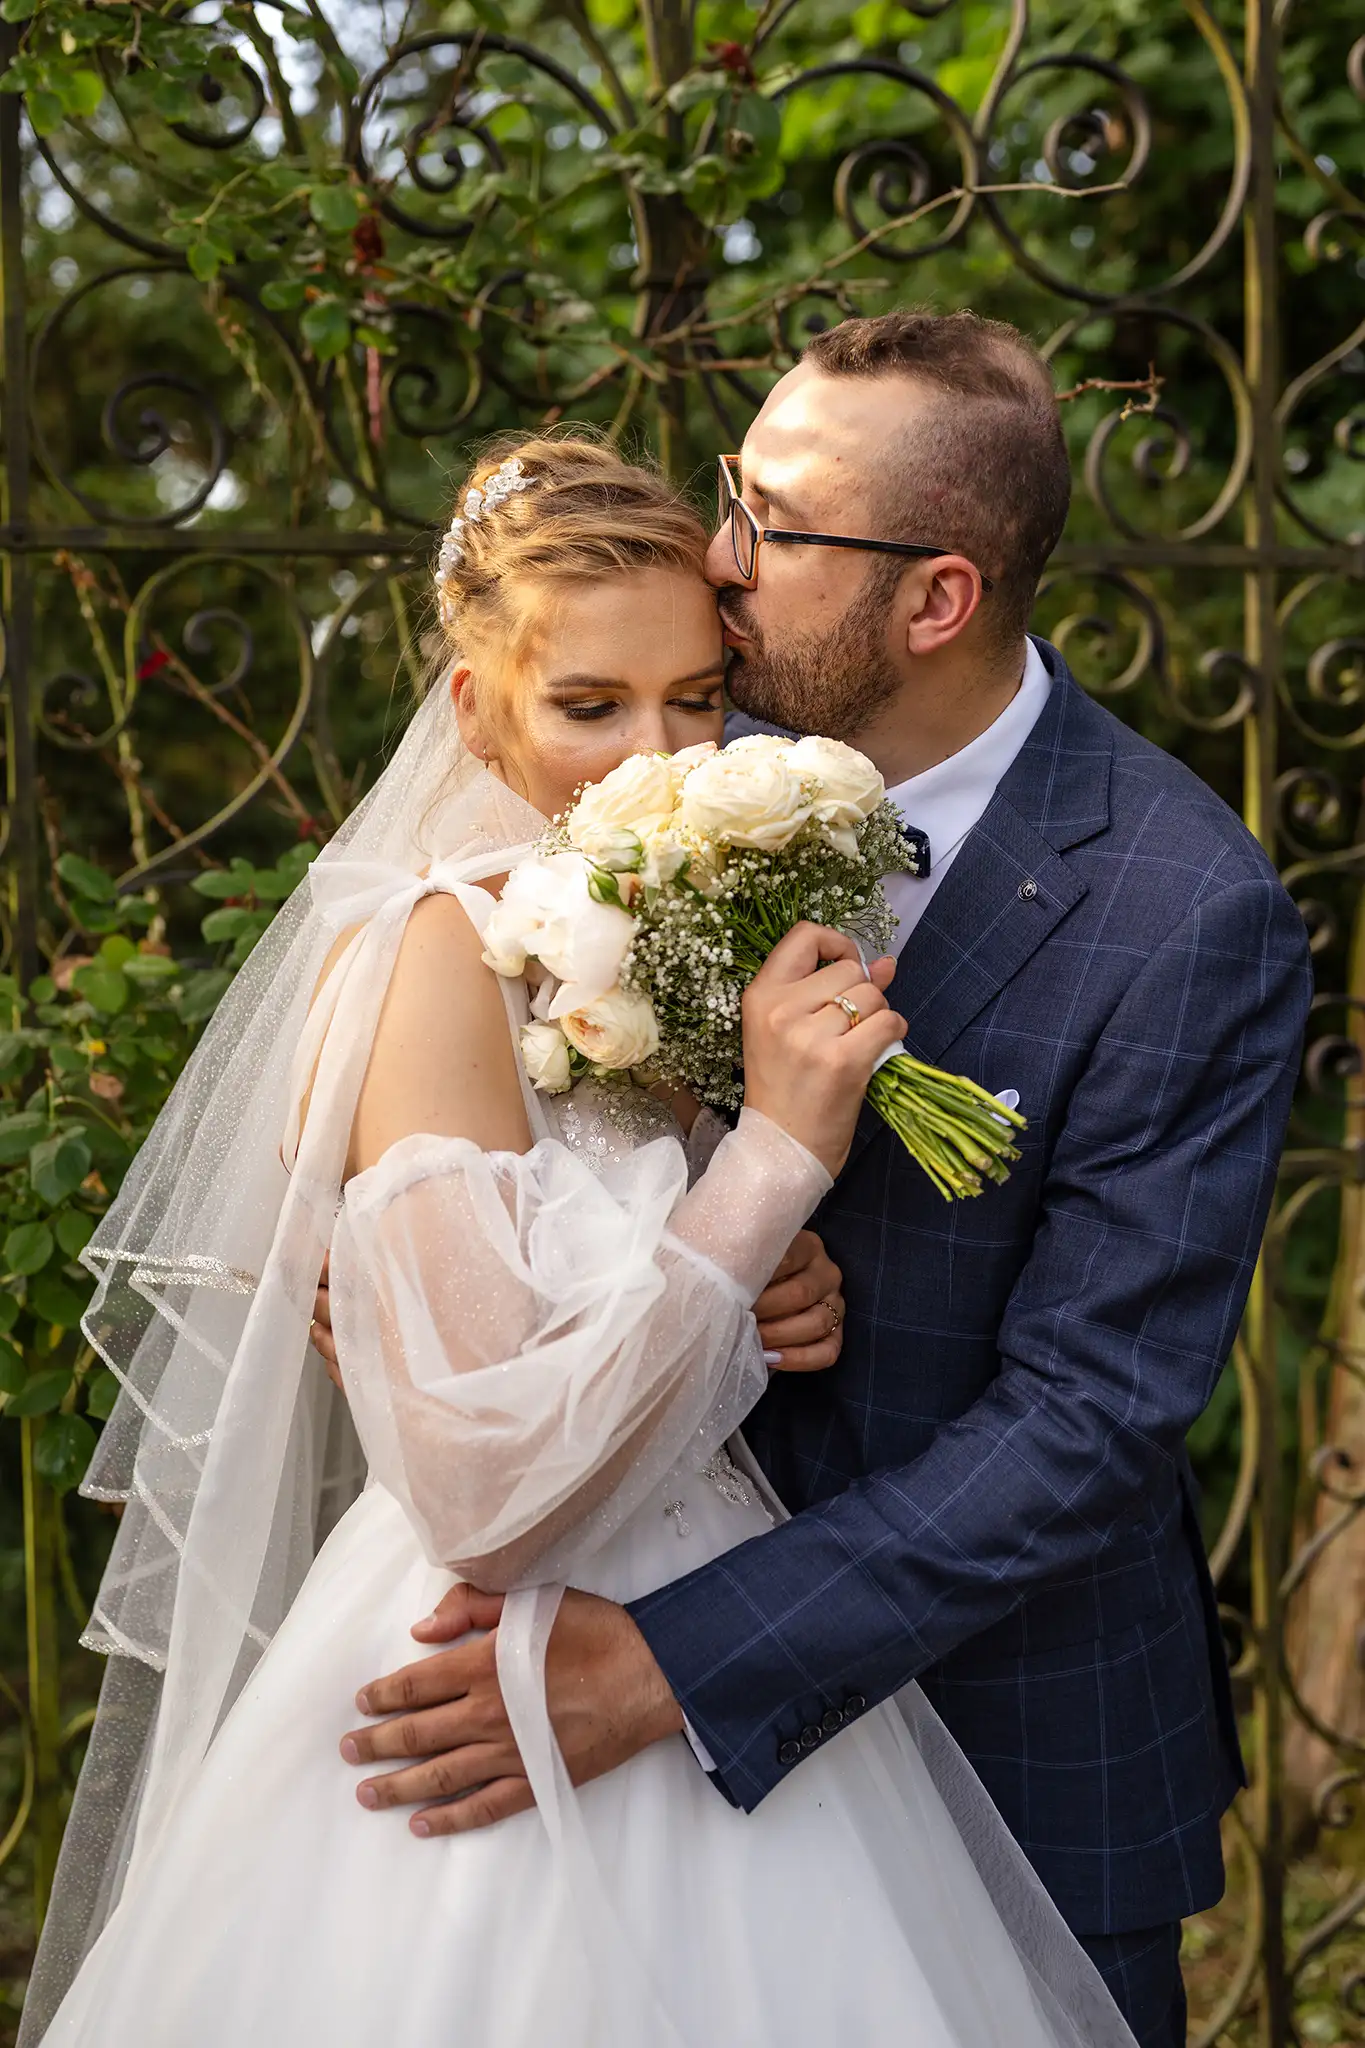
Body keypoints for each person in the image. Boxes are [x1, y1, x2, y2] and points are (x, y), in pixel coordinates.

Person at [22, 437, 1138, 2048]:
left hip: (698, 1621)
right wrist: (774, 1165)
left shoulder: (639, 932)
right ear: (477, 711)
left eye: (696, 699)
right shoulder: (437, 954)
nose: (651, 757)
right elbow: (483, 1495)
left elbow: (629, 1286)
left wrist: (756, 1281)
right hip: (493, 1665)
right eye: (590, 706)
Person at [306, 314, 1313, 2048]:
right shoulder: (638, 768)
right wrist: (428, 1297)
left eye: (772, 525)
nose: (718, 559)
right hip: (565, 1675)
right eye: (730, 493)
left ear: (935, 599)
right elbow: (467, 1146)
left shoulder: (1184, 911)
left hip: (1000, 1746)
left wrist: (672, 1661)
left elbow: (1087, 1422)